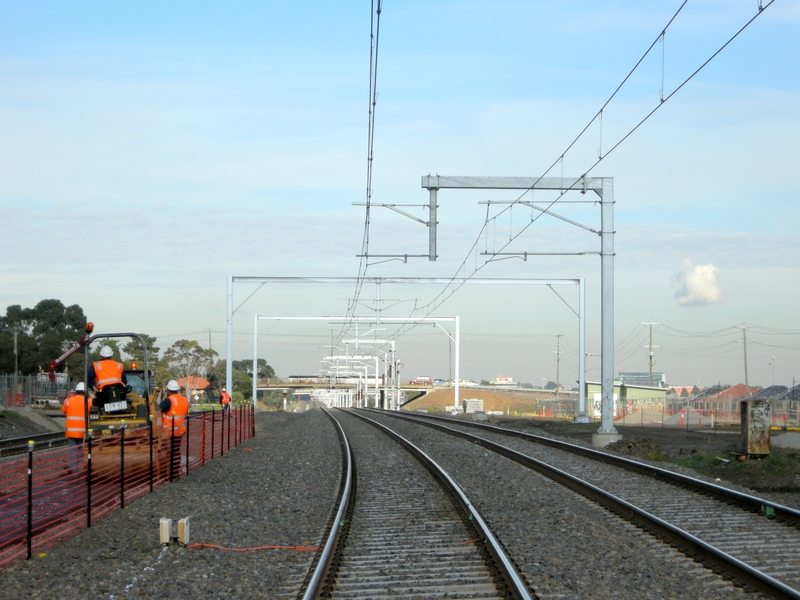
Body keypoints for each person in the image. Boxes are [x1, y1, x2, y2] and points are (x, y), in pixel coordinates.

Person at [160, 380, 189, 479]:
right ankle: (174, 473)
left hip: (169, 432)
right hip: (180, 431)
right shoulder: (184, 400)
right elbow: (185, 414)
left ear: (168, 390)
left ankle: (169, 474)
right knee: (176, 451)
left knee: (168, 452)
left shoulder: (169, 400)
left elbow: (158, 410)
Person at [61, 382, 91, 473]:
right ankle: (73, 467)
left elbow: (64, 410)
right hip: (83, 432)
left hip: (71, 431)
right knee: (82, 451)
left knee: (73, 450)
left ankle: (72, 466)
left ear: (76, 391)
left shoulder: (68, 401)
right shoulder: (88, 401)